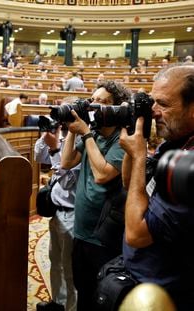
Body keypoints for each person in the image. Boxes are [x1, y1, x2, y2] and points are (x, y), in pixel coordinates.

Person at [119, 65, 194, 311]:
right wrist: (134, 145)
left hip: (166, 295)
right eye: (152, 102)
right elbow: (131, 185)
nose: (153, 112)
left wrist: (140, 157)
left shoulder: (189, 166)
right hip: (142, 277)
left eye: (163, 104)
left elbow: (136, 233)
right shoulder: (173, 143)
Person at [60, 81, 132, 311]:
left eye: (102, 102)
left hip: (104, 236)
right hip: (81, 230)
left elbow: (103, 174)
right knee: (83, 290)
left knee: (101, 298)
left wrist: (85, 133)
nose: (94, 105)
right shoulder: (95, 135)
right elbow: (66, 161)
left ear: (117, 108)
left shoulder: (122, 139)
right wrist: (73, 129)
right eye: (93, 100)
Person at [35, 124, 81, 311]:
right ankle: (58, 303)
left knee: (70, 270)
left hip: (72, 213)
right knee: (56, 262)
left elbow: (68, 179)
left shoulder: (82, 144)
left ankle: (71, 307)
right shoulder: (64, 138)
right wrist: (46, 136)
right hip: (56, 212)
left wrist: (55, 149)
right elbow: (38, 155)